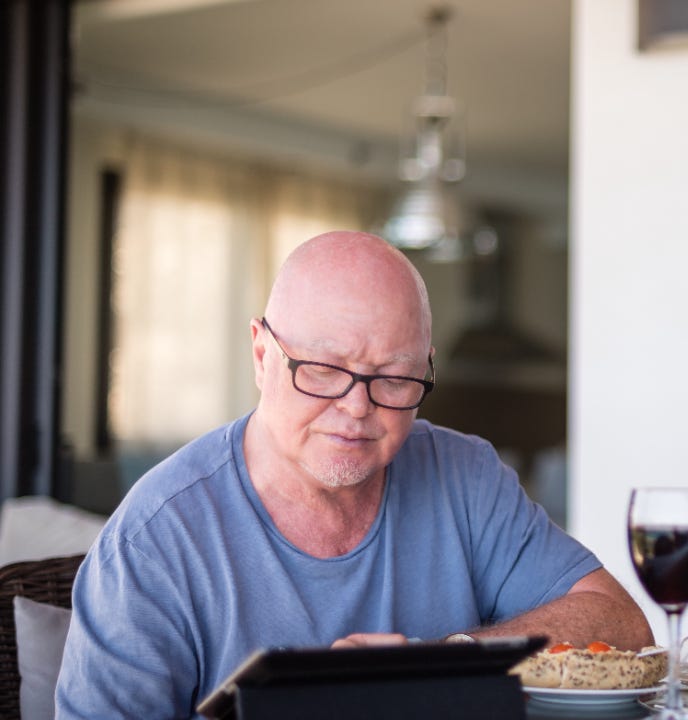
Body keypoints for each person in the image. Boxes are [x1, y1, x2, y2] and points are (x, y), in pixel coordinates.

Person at [56, 231, 653, 718]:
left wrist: (438, 661)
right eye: (321, 369)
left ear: (426, 370)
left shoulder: (465, 475)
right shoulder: (155, 539)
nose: (357, 408)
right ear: (263, 355)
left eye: (394, 378)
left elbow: (619, 621)